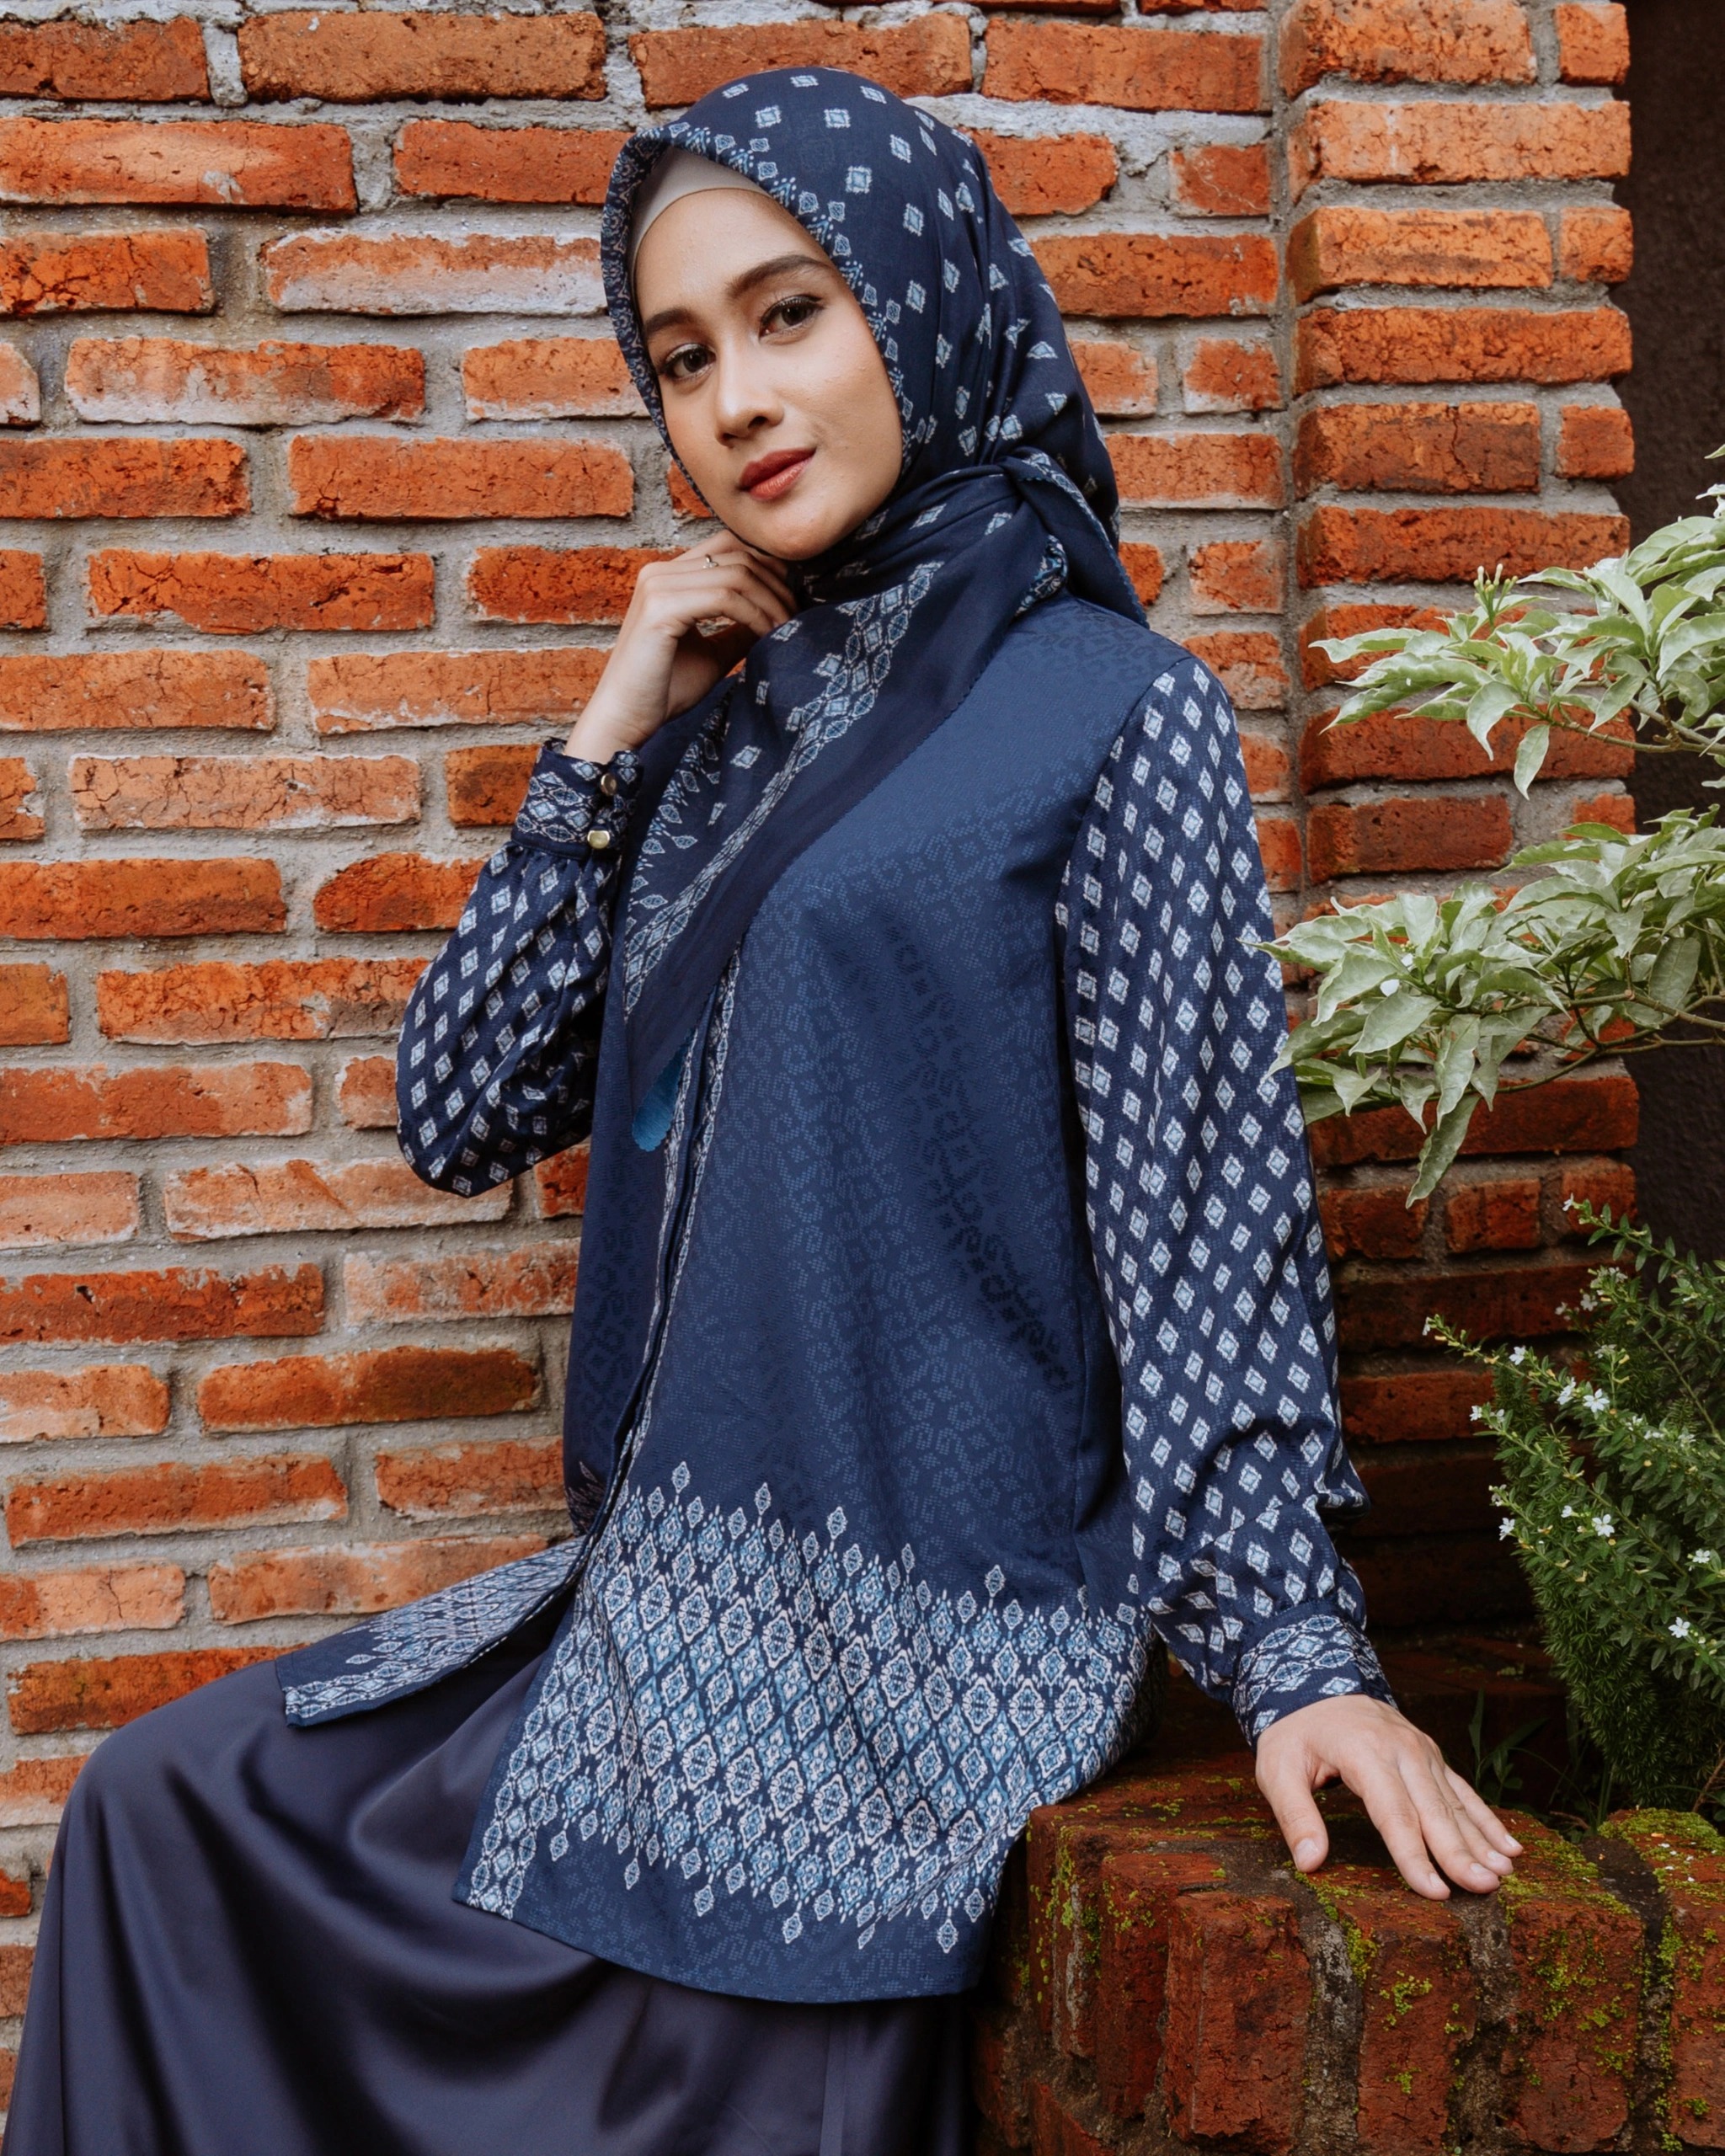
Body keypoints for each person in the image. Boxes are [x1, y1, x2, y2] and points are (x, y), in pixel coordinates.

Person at [3, 67, 1521, 2156]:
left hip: (908, 1662)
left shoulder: (1112, 712)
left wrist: (1296, 1650)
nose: (736, 399)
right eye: (682, 356)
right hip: (646, 1615)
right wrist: (609, 728)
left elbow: (1198, 1217)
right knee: (162, 1811)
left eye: (789, 312)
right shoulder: (733, 733)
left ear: (922, 298)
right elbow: (460, 1102)